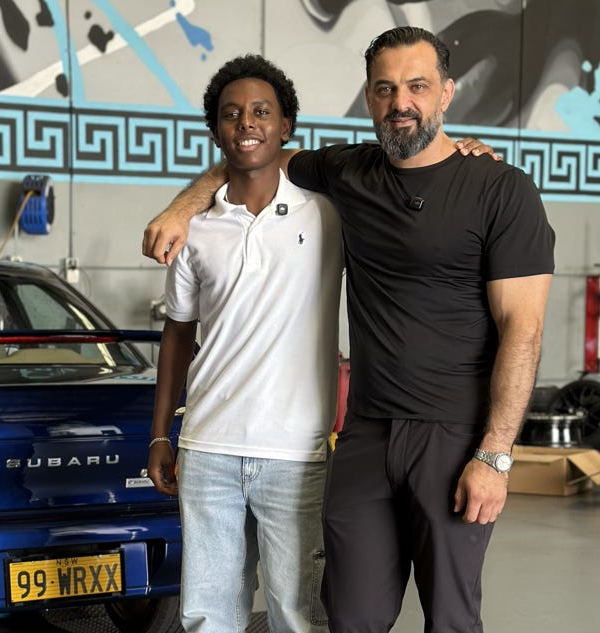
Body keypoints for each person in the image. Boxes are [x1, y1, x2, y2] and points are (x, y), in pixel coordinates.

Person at [144, 26, 554, 633]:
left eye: (417, 86)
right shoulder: (349, 174)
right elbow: (255, 155)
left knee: (450, 616)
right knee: (349, 615)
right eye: (385, 89)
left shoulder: (500, 188)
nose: (400, 102)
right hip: (365, 434)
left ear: (447, 92)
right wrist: (183, 207)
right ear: (368, 97)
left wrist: (495, 455)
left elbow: (524, 330)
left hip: (452, 435)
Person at [147, 54, 343, 633]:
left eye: (262, 112)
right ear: (216, 132)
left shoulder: (328, 215)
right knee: (209, 615)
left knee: (297, 614)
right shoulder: (195, 229)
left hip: (296, 452)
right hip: (208, 447)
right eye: (231, 115)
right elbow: (177, 333)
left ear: (286, 127)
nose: (247, 123)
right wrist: (160, 434)